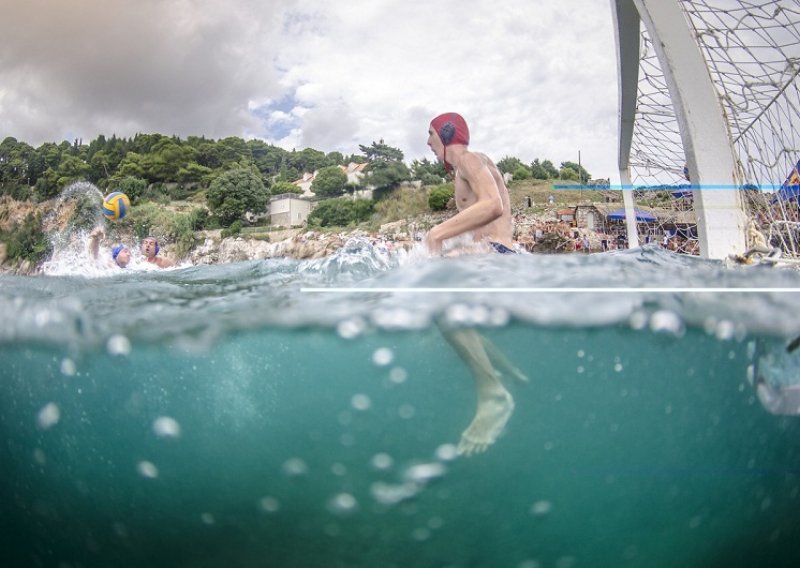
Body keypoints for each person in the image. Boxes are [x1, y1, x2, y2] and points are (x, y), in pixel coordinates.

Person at [424, 112, 527, 456]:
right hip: (498, 256)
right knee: (453, 309)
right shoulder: (470, 166)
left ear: (446, 133)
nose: (427, 142)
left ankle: (492, 392)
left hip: (497, 257)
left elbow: (493, 205)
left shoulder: (469, 158)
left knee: (438, 301)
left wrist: (437, 234)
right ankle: (503, 368)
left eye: (431, 134)